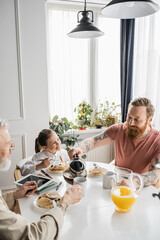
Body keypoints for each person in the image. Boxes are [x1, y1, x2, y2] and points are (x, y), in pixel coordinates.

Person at [0, 120, 82, 240]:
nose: (13, 147)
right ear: (44, 147)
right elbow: (34, 235)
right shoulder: (40, 157)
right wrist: (64, 203)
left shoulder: (63, 153)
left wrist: (14, 195)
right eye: (8, 143)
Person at [68, 97, 160, 187]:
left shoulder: (157, 140)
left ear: (149, 120)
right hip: (118, 182)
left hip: (140, 188)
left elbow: (155, 173)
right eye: (129, 117)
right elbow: (94, 141)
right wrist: (80, 148)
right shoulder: (119, 129)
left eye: (137, 119)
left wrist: (133, 182)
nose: (131, 123)